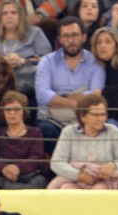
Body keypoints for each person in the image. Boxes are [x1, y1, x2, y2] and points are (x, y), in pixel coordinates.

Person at [34, 16, 105, 153]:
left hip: (85, 118)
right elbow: (43, 96)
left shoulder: (95, 61)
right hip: (53, 119)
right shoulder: (47, 61)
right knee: (44, 129)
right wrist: (76, 103)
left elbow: (96, 95)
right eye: (66, 36)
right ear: (60, 40)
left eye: (74, 35)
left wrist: (60, 98)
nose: (71, 40)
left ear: (84, 37)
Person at [47, 93, 118, 188]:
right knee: (66, 189)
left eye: (103, 114)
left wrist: (113, 165)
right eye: (95, 115)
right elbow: (56, 163)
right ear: (83, 116)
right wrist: (78, 175)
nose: (100, 119)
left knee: (100, 189)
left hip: (105, 181)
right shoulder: (69, 132)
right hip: (75, 180)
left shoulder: (113, 132)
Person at [0, 90, 48, 189]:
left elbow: (36, 157)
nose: (12, 113)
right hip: (1, 177)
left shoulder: (35, 133)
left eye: (16, 109)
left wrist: (18, 168)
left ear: (24, 111)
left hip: (28, 178)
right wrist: (4, 168)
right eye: (8, 110)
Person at [0, 0, 52, 100]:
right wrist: (2, 62)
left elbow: (47, 60)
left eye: (13, 13)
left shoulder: (35, 33)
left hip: (30, 88)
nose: (9, 16)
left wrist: (24, 61)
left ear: (21, 16)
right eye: (5, 13)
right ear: (0, 17)